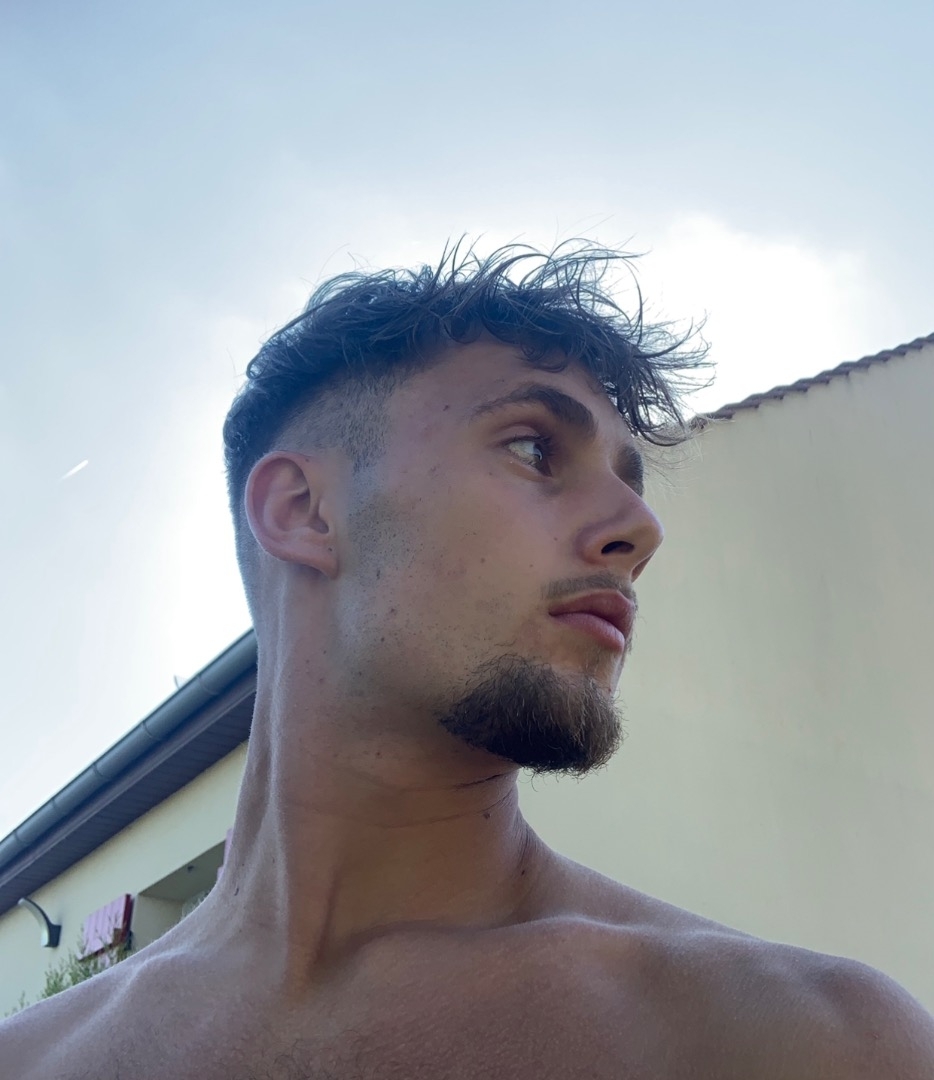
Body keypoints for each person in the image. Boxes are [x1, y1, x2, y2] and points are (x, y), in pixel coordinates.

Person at [3, 242, 933, 1079]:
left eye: (631, 482)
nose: (640, 530)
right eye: (534, 448)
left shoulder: (805, 1044)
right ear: (302, 512)